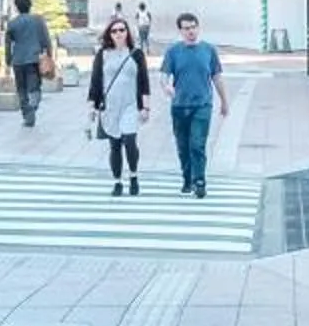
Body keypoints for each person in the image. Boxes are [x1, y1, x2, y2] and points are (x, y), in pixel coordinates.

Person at [158, 11, 228, 197]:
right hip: (179, 106)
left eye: (193, 27)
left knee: (197, 144)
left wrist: (224, 101)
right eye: (186, 28)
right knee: (183, 146)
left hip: (202, 105)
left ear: (198, 27)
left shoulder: (209, 50)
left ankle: (199, 180)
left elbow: (217, 76)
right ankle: (187, 177)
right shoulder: (173, 51)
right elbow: (164, 75)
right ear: (180, 31)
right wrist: (166, 87)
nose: (190, 31)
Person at [85, 16, 149, 195]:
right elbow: (95, 83)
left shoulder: (136, 54)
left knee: (130, 141)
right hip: (110, 107)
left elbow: (144, 83)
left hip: (130, 105)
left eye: (122, 30)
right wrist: (91, 107)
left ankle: (134, 176)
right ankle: (118, 181)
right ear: (109, 34)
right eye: (114, 31)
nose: (119, 33)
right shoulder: (102, 54)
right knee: (115, 145)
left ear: (127, 32)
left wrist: (145, 107)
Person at [3, 0, 52, 127]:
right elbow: (46, 40)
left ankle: (28, 116)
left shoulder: (12, 23)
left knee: (21, 88)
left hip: (18, 60)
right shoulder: (38, 20)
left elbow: (7, 44)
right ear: (30, 6)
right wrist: (50, 55)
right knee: (34, 85)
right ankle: (33, 103)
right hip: (34, 58)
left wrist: (7, 60)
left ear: (17, 8)